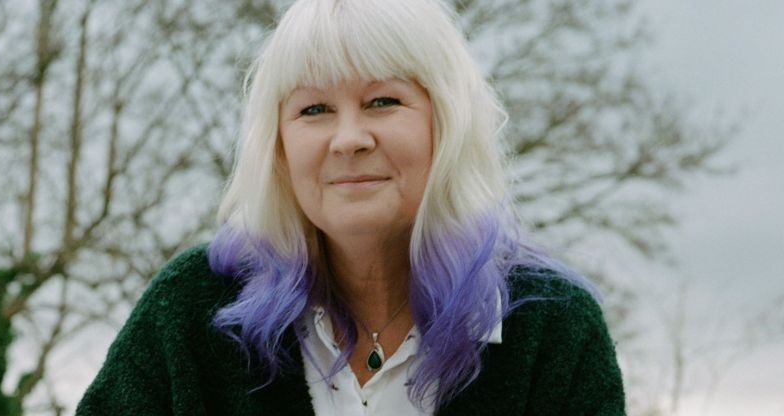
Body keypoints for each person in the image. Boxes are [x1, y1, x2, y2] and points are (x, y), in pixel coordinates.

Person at [77, 0, 625, 414]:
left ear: (448, 124)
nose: (348, 138)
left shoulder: (551, 327)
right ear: (278, 147)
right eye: (313, 109)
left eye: (382, 101)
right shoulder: (190, 311)